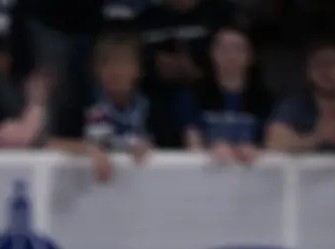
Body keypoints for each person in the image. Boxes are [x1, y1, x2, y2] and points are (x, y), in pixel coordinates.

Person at [54, 32, 155, 179]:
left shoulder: (149, 107)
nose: (116, 71)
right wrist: (88, 150)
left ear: (138, 70)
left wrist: (149, 147)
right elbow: (51, 142)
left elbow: (169, 147)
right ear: (96, 70)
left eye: (124, 64)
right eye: (108, 64)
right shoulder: (82, 103)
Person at [178, 26, 273, 159]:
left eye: (237, 49)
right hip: (207, 166)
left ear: (251, 55)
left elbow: (271, 143)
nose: (230, 55)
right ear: (212, 53)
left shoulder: (265, 99)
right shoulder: (193, 94)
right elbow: (192, 140)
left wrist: (255, 152)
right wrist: (211, 152)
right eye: (223, 49)